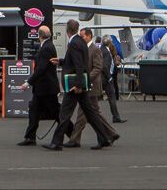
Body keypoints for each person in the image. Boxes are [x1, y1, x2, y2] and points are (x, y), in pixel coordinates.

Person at [44, 20, 114, 151]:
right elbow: (77, 62)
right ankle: (104, 138)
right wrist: (61, 61)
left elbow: (79, 65)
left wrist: (78, 85)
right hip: (81, 83)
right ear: (76, 29)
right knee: (91, 113)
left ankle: (56, 142)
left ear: (67, 30)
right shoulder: (80, 42)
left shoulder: (74, 43)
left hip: (75, 85)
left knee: (64, 114)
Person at [65, 30, 120, 148]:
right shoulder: (84, 48)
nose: (81, 38)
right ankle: (111, 133)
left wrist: (86, 79)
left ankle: (75, 139)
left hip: (92, 86)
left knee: (84, 113)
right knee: (93, 113)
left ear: (89, 36)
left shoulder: (95, 49)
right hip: (86, 86)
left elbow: (98, 67)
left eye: (83, 36)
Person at [17, 25, 60, 146]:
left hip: (46, 88)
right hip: (42, 88)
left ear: (39, 35)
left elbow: (41, 69)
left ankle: (72, 133)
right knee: (34, 112)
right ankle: (30, 137)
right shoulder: (47, 46)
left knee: (56, 113)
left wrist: (28, 82)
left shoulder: (46, 48)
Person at [99, 37, 126, 123]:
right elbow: (105, 66)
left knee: (107, 98)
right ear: (109, 42)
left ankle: (116, 116)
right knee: (111, 98)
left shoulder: (102, 49)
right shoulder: (106, 52)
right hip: (106, 79)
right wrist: (109, 77)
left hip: (103, 78)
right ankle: (115, 117)